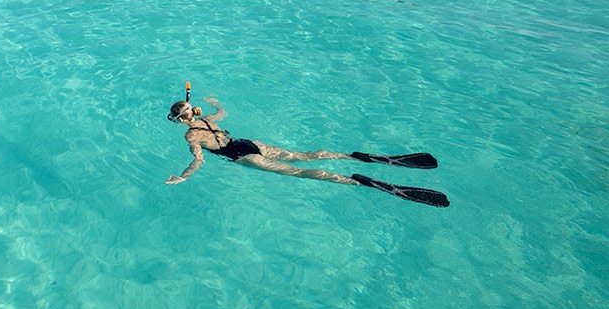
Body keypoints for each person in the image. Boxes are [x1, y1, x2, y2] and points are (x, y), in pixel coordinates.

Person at [165, 97, 449, 207]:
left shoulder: (193, 134)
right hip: (249, 143)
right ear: (192, 113)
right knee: (304, 155)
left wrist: (183, 177)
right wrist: (216, 104)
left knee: (301, 172)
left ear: (180, 120)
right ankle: (352, 157)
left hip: (243, 155)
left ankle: (357, 180)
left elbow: (198, 159)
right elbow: (224, 113)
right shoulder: (207, 121)